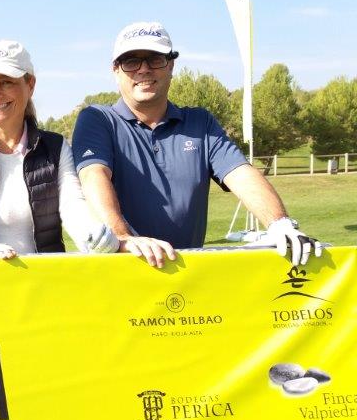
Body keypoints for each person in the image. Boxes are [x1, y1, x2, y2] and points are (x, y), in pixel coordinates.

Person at [72, 21, 323, 268]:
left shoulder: (199, 122)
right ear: (116, 70)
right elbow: (94, 176)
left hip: (187, 278)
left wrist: (279, 223)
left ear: (171, 64)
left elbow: (240, 174)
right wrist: (122, 236)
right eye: (131, 61)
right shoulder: (97, 119)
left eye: (155, 59)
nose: (143, 69)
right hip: (122, 270)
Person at [0, 40, 122, 259]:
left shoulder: (56, 147)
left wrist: (93, 237)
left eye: (6, 82)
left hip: (43, 284)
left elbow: (73, 206)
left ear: (30, 85)